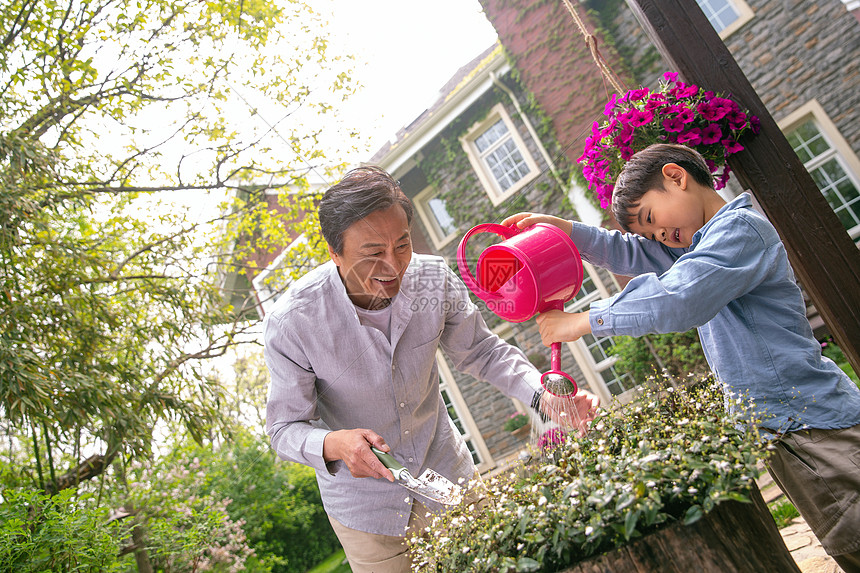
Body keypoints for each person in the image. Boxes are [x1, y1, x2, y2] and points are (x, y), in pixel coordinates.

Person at [503, 143, 860, 572]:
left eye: (654, 219)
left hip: (811, 424)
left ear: (676, 177)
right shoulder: (697, 242)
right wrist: (568, 233)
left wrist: (583, 321)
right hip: (788, 427)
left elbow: (679, 297)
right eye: (653, 235)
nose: (662, 238)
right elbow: (631, 253)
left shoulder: (740, 231)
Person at [264, 166, 599, 573]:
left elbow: (481, 351)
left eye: (402, 245)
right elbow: (284, 428)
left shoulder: (432, 279)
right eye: (373, 253)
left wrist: (542, 396)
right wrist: (335, 444)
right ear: (335, 252)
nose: (393, 266)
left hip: (449, 478)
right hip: (368, 515)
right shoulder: (293, 322)